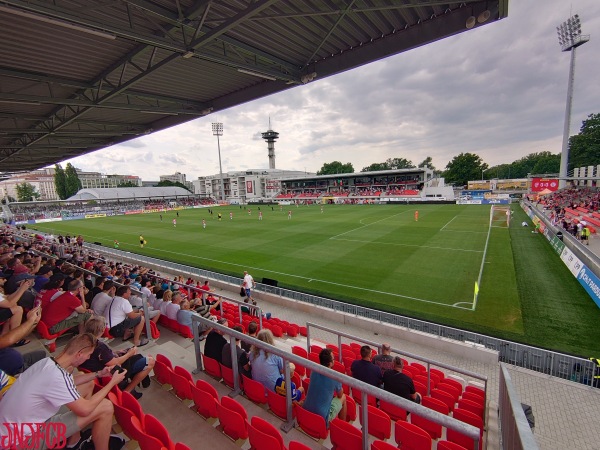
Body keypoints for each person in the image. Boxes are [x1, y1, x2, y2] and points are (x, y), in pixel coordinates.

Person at [0, 333, 127, 450]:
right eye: (88, 355)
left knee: (87, 384)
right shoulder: (57, 376)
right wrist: (112, 383)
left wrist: (99, 374)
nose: (88, 358)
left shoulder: (46, 363)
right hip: (18, 442)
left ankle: (74, 442)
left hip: (8, 429)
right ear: (79, 354)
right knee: (105, 406)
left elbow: (68, 381)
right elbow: (85, 409)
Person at [80, 316, 154, 399]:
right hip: (110, 372)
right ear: (102, 330)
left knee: (135, 356)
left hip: (98, 371)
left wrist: (116, 352)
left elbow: (101, 357)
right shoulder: (99, 346)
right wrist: (129, 353)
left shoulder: (82, 341)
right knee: (150, 361)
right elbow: (115, 362)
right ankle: (127, 391)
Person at [299, 348, 347, 426]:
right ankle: (343, 426)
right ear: (330, 363)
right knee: (343, 397)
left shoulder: (313, 370)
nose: (334, 361)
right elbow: (340, 395)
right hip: (322, 418)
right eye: (333, 359)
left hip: (306, 410)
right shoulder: (334, 377)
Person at [0, 306, 46, 376]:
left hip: (11, 357)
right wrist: (30, 320)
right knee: (43, 365)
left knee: (42, 354)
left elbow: (15, 337)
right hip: (11, 369)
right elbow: (8, 340)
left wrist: (34, 322)